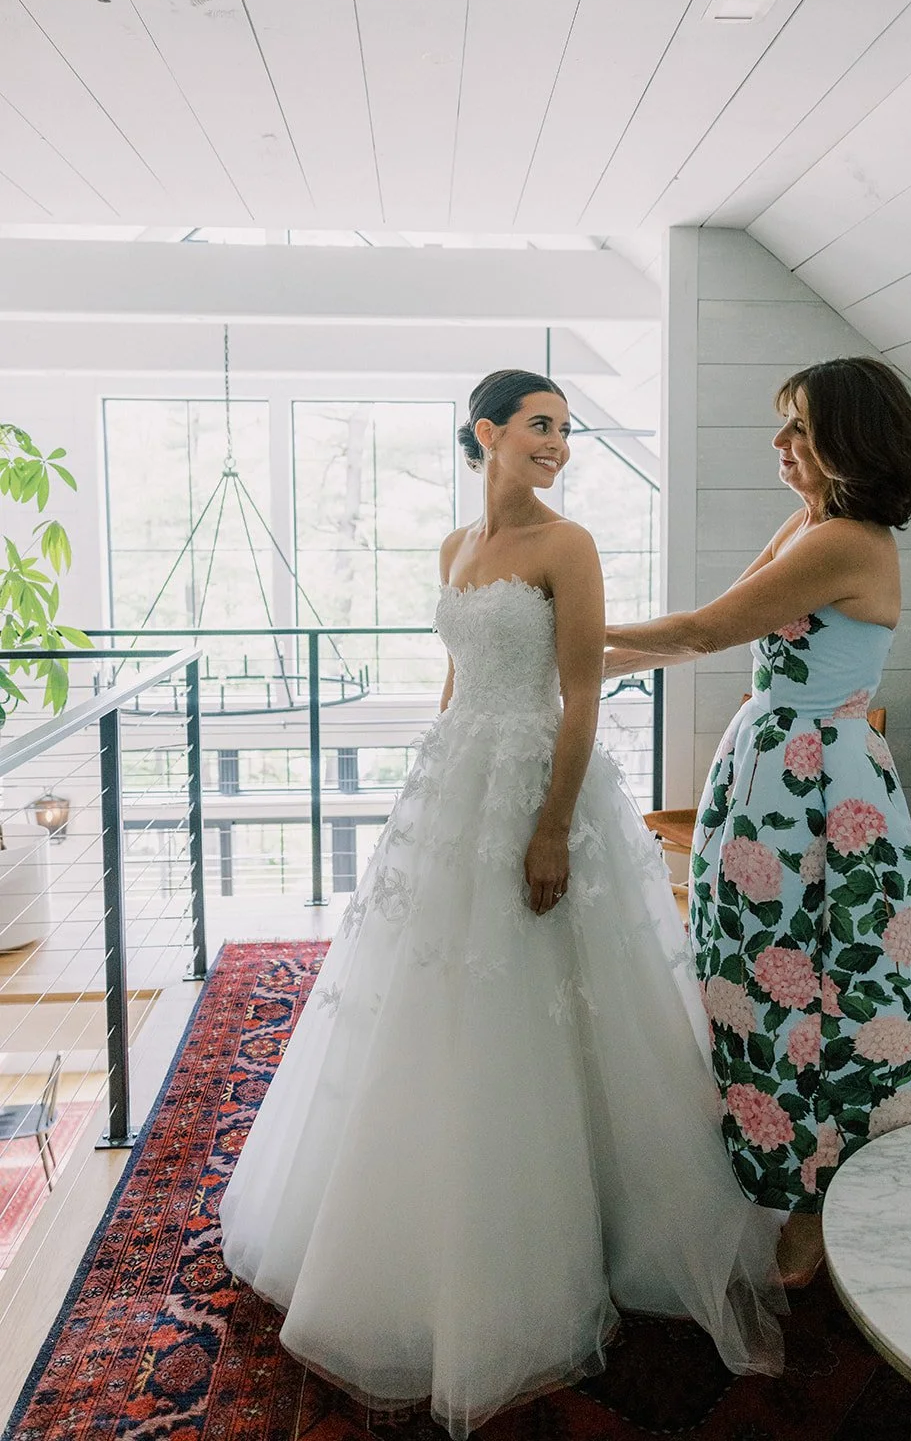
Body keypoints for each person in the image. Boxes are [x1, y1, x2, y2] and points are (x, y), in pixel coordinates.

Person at [219, 369, 785, 1440]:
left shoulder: (565, 547)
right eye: (538, 426)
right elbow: (454, 682)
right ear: (484, 433)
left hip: (536, 781)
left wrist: (548, 825)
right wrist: (429, 781)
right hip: (455, 784)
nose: (557, 445)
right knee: (425, 1009)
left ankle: (586, 1235)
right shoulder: (454, 547)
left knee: (549, 1001)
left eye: (564, 431)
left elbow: (579, 694)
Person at [604, 356, 911, 1291]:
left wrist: (569, 642)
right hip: (767, 771)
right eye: (782, 426)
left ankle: (828, 1196)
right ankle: (778, 1166)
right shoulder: (812, 523)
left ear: (846, 439)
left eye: (798, 428)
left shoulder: (849, 542)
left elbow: (704, 633)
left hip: (822, 787)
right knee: (752, 966)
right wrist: (580, 657)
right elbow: (708, 626)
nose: (779, 445)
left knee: (828, 974)